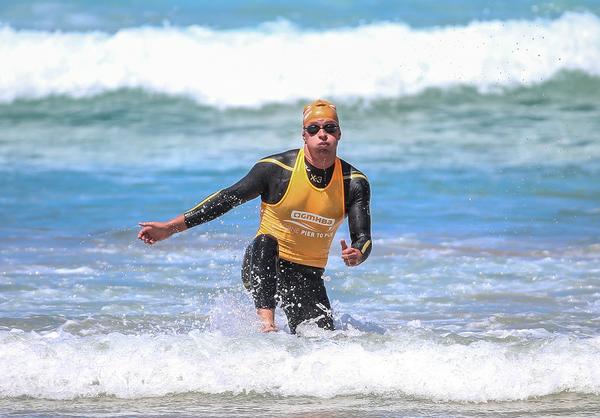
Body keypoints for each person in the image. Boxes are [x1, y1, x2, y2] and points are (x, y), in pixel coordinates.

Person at [138, 99, 372, 333]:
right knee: (266, 241)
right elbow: (226, 199)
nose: (322, 134)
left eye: (329, 128)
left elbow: (363, 238)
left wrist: (357, 254)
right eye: (314, 129)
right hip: (261, 263)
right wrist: (170, 228)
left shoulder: (353, 183)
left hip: (307, 275)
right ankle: (267, 323)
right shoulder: (276, 169)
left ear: (339, 134)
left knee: (322, 342)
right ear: (304, 135)